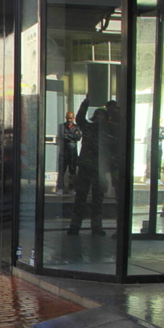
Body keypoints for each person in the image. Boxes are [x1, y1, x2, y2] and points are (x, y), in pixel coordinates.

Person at [67, 97, 109, 236]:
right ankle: (80, 227)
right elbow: (80, 118)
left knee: (92, 199)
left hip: (94, 168)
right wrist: (85, 103)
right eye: (98, 116)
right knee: (85, 199)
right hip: (90, 169)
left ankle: (88, 227)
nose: (99, 119)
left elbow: (80, 118)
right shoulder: (94, 129)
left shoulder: (100, 130)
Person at [56, 110, 82, 194]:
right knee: (61, 171)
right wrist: (72, 136)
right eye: (67, 118)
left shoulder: (77, 127)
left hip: (73, 152)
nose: (69, 120)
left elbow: (78, 137)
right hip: (63, 152)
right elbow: (61, 136)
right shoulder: (61, 126)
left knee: (72, 171)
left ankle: (72, 188)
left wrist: (68, 135)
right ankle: (60, 188)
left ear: (73, 118)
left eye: (70, 118)